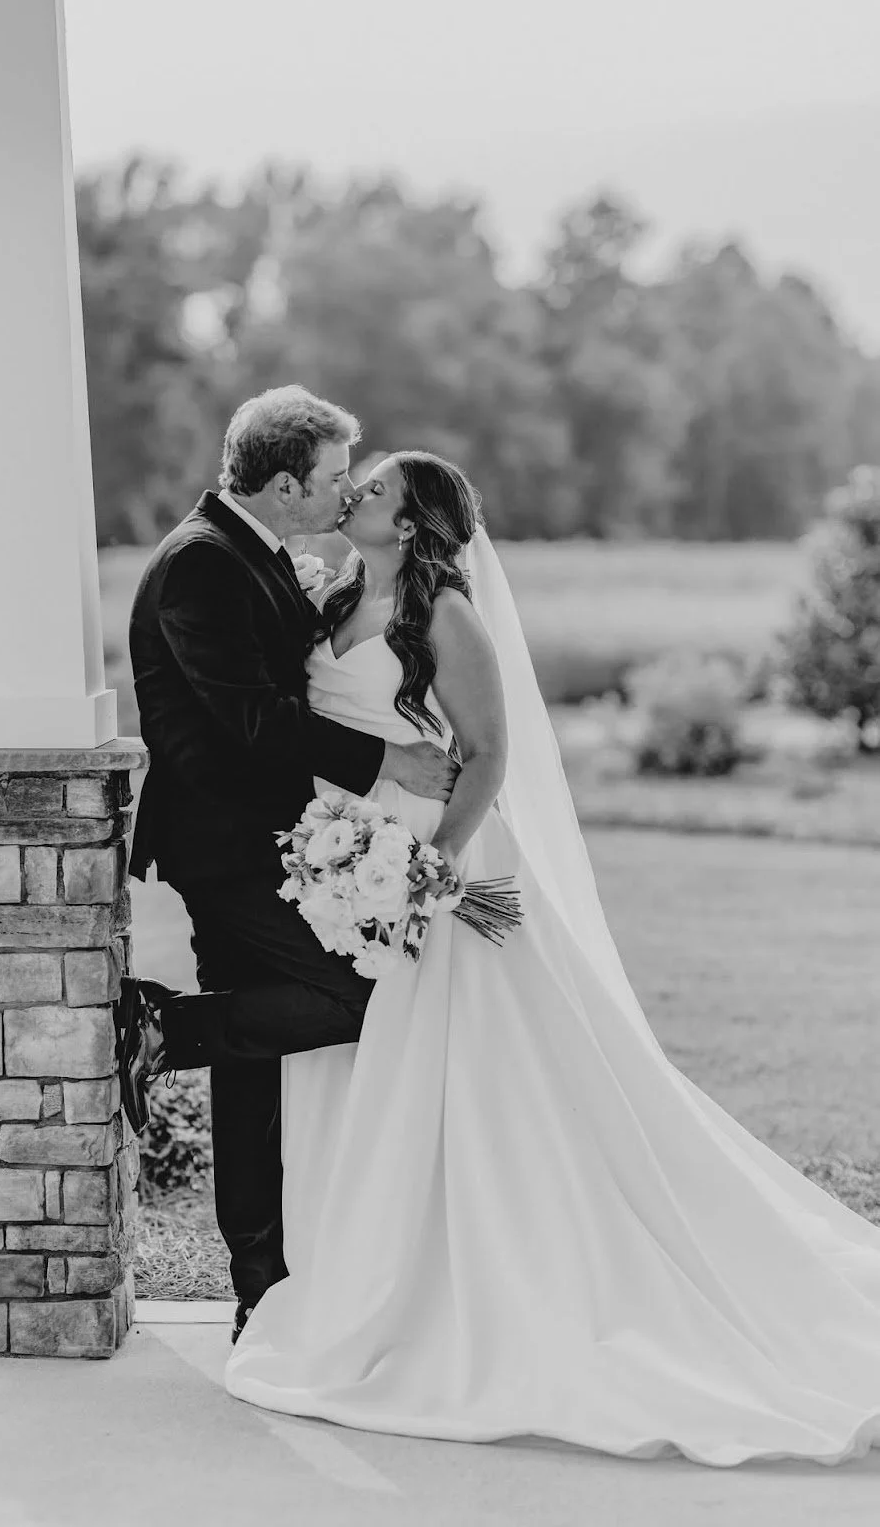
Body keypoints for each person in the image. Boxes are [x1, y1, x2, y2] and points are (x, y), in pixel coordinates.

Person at [216, 448, 880, 1467]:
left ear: (413, 522)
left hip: (437, 867)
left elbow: (488, 753)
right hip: (353, 860)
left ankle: (495, 1282)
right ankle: (368, 1270)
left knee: (482, 1078)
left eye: (378, 487)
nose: (356, 492)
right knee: (365, 1069)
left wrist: (429, 876)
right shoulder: (336, 591)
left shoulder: (446, 618)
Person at [123, 388, 459, 1347]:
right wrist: (388, 762)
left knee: (255, 1062)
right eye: (330, 479)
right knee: (361, 996)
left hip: (274, 840)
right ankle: (162, 1026)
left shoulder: (251, 553)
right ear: (280, 485)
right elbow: (253, 721)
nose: (343, 492)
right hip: (231, 848)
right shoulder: (200, 567)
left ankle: (262, 1289)